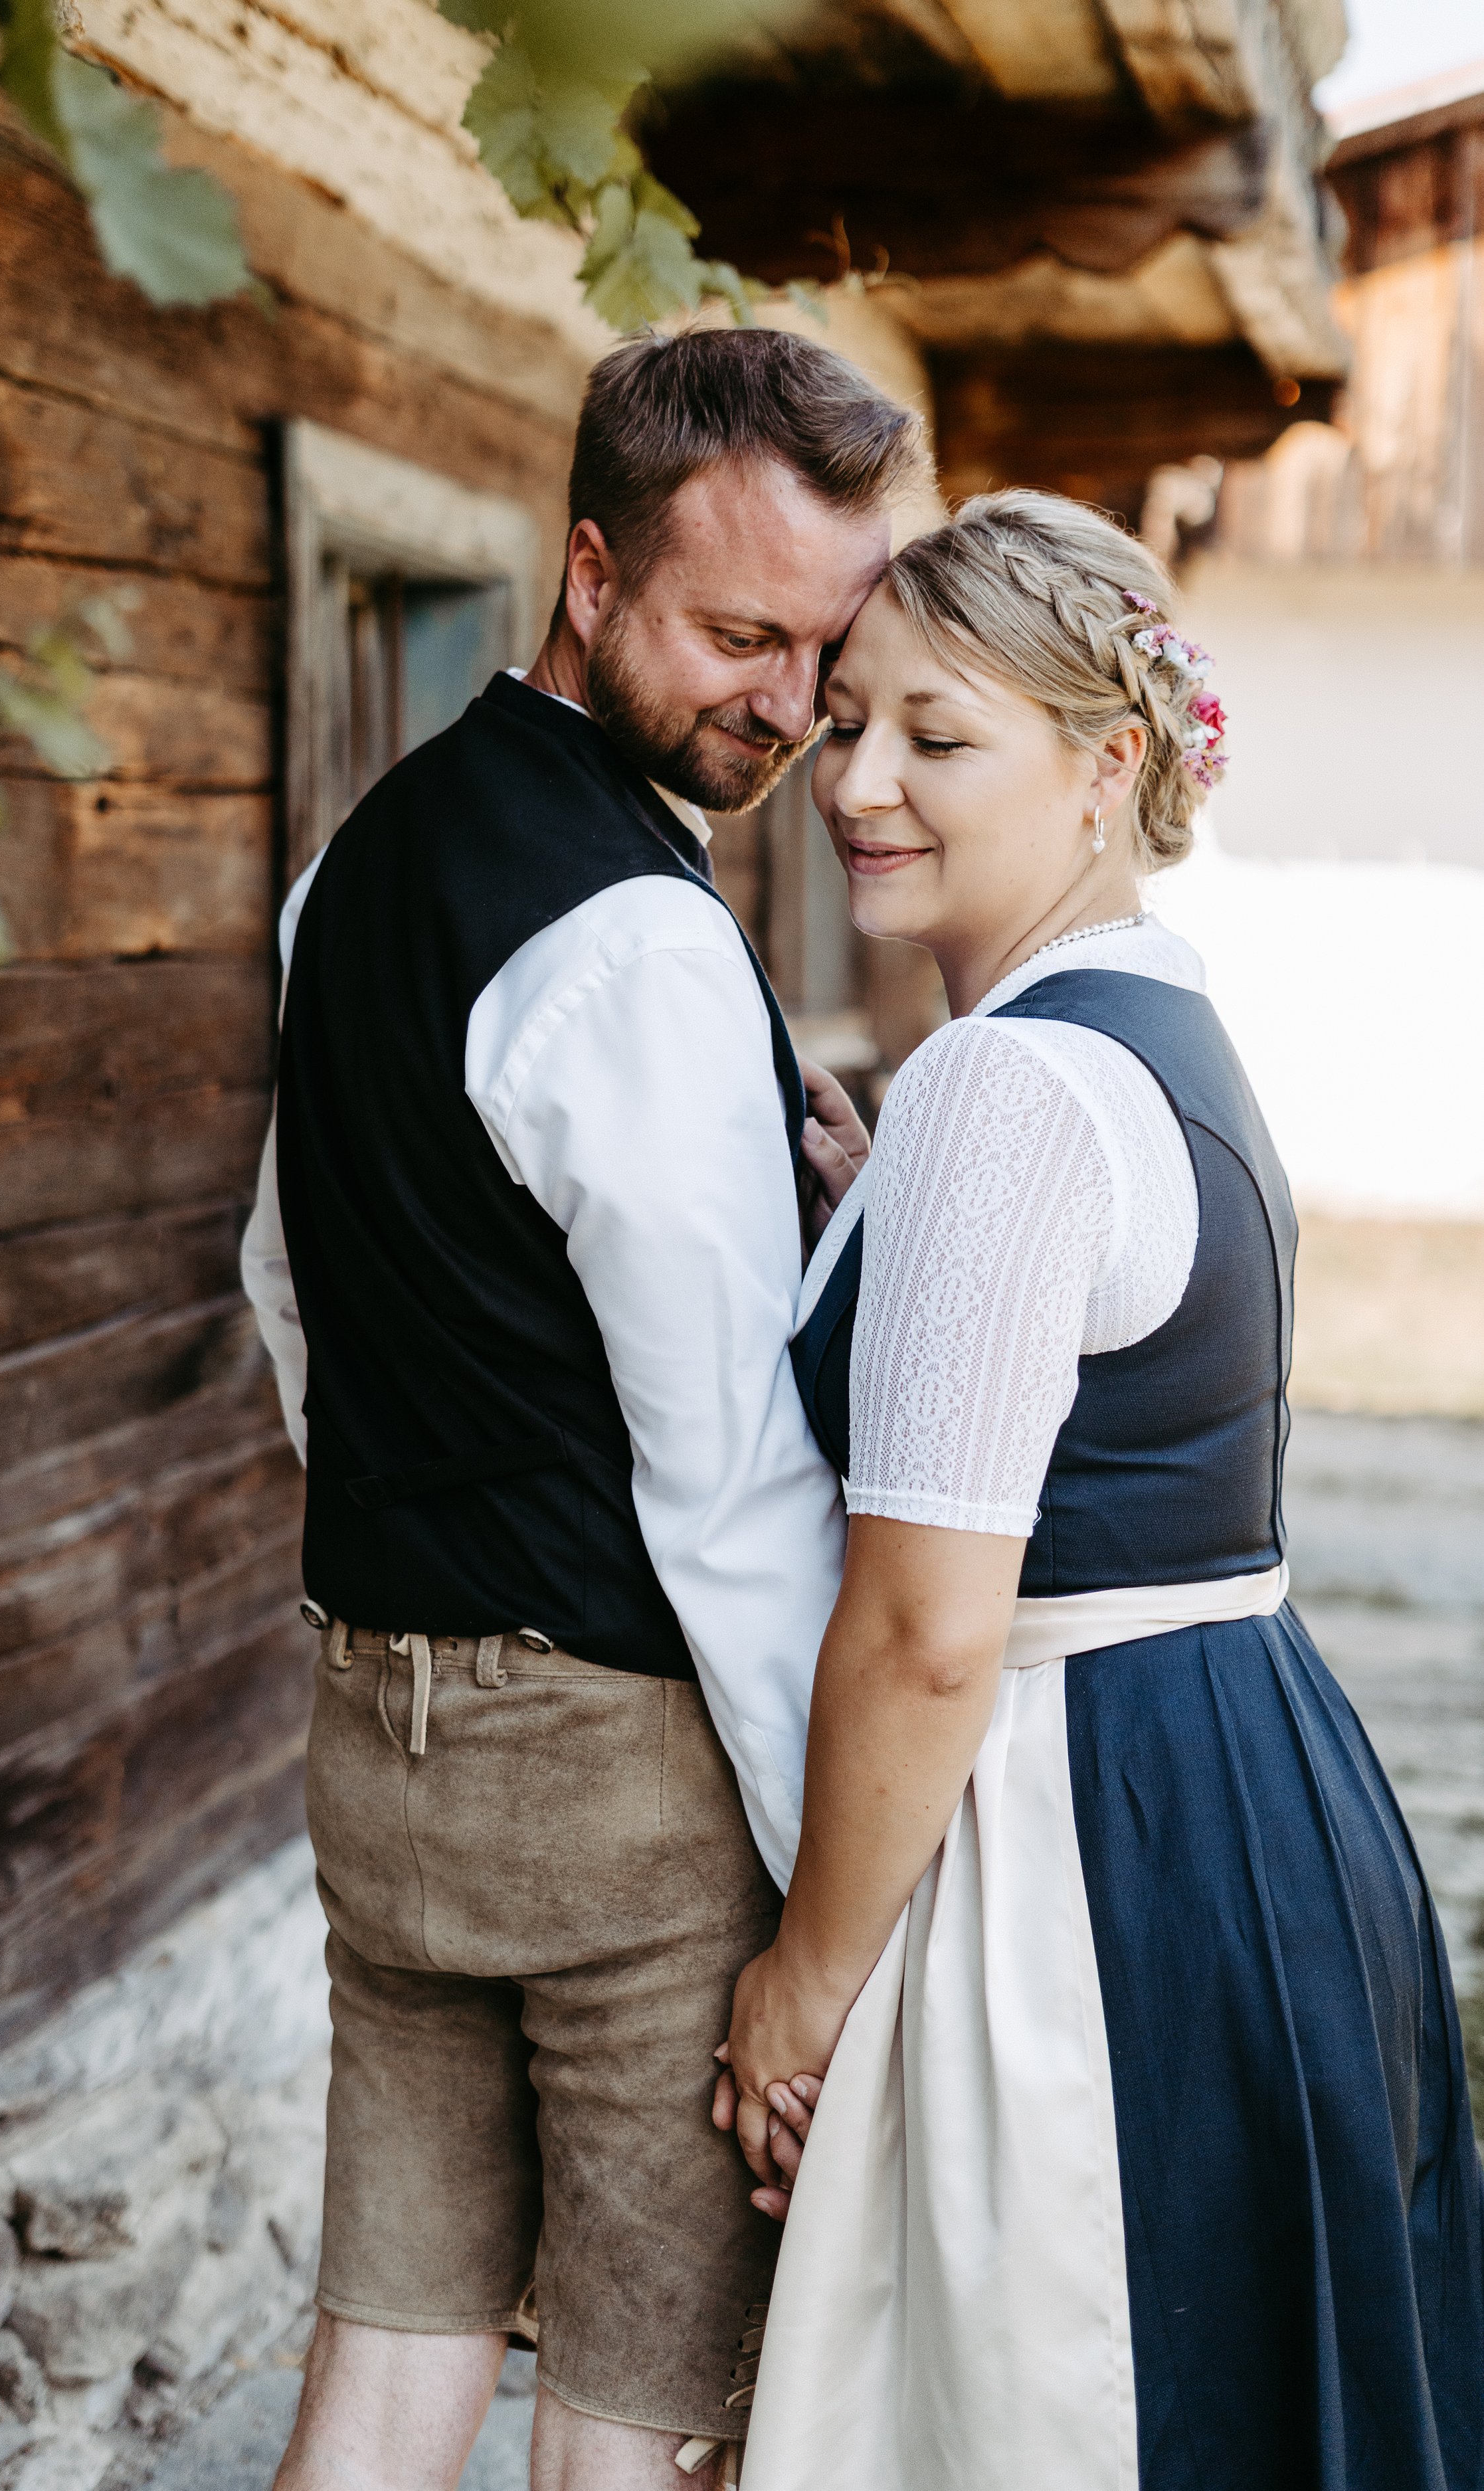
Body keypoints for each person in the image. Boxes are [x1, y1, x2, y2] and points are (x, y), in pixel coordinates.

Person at [717, 492, 1484, 2490]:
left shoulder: (1001, 1086)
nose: (858, 784)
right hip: (1256, 1778)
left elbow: (921, 1630)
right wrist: (877, 1220)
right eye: (846, 723)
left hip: (1082, 1829)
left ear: (1108, 762)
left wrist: (799, 1993)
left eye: (935, 738)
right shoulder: (1155, 1027)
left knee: (1056, 2401)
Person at [239, 328, 925, 2491]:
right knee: (632, 2429)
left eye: (824, 645)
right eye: (737, 632)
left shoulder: (358, 860)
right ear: (588, 568)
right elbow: (724, 1485)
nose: (789, 701)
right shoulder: (634, 942)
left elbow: (283, 1285)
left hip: (380, 1738)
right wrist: (839, 1900)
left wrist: (421, 1550)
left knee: (382, 2367)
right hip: (623, 1786)